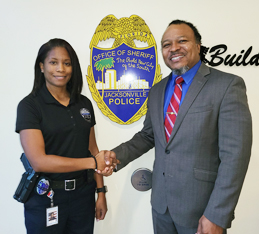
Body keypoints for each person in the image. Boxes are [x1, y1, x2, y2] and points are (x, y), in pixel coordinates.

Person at [105, 20, 252, 234]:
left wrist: (217, 214)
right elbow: (148, 136)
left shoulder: (227, 85)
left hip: (202, 210)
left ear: (198, 46)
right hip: (161, 207)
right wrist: (115, 156)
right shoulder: (157, 90)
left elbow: (235, 156)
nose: (173, 48)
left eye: (182, 41)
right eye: (166, 44)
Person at [15, 38, 118, 234]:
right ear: (42, 67)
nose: (60, 69)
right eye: (53, 62)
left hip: (82, 197)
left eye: (67, 63)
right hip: (46, 197)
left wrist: (101, 192)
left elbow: (93, 150)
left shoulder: (84, 104)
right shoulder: (29, 106)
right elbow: (39, 161)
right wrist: (92, 163)